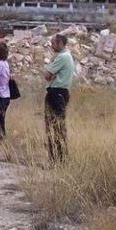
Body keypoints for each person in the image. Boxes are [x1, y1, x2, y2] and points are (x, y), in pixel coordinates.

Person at [42, 33, 75, 163]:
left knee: (54, 127)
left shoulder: (62, 57)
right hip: (59, 92)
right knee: (58, 127)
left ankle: (56, 159)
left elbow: (46, 75)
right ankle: (59, 158)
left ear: (60, 43)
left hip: (56, 93)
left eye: (53, 43)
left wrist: (51, 73)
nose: (51, 46)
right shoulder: (65, 56)